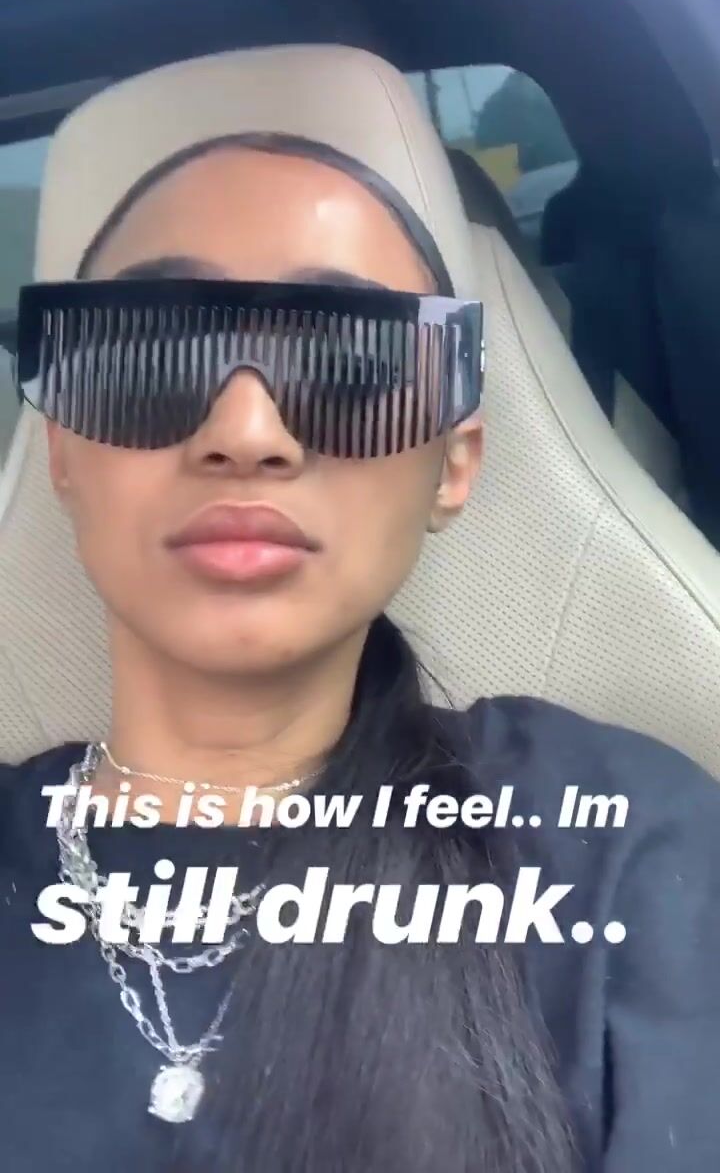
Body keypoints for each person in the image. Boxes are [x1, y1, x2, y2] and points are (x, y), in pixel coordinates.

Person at [1, 96, 719, 1173]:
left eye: (349, 363)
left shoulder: (620, 850)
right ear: (64, 449)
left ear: (454, 464)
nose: (246, 433)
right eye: (154, 351)